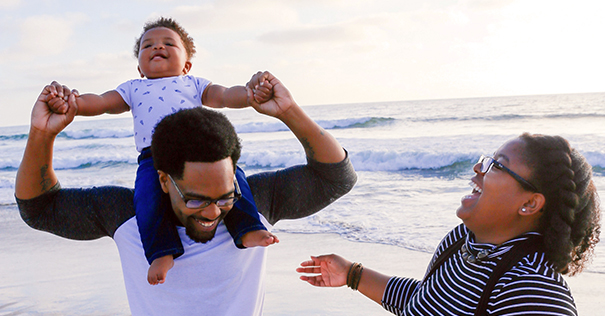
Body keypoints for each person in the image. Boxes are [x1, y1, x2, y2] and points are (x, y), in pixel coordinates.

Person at [16, 71, 357, 315]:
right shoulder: (127, 214)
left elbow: (336, 177)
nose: (212, 212)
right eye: (195, 199)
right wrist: (41, 135)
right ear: (163, 180)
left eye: (225, 196)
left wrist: (288, 111)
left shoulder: (253, 204)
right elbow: (39, 208)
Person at [46, 17, 277, 285]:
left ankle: (248, 228)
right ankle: (161, 252)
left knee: (234, 178)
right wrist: (71, 103)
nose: (157, 47)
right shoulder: (133, 88)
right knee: (146, 198)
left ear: (187, 65)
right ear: (139, 68)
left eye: (168, 43)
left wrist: (250, 95)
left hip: (199, 151)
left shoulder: (194, 83)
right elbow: (100, 102)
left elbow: (225, 95)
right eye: (148, 46)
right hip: (153, 157)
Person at [297, 134, 601, 315]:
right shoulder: (462, 241)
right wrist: (352, 274)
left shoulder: (533, 292)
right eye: (488, 159)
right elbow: (424, 303)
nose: (479, 168)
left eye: (497, 165)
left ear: (530, 204)